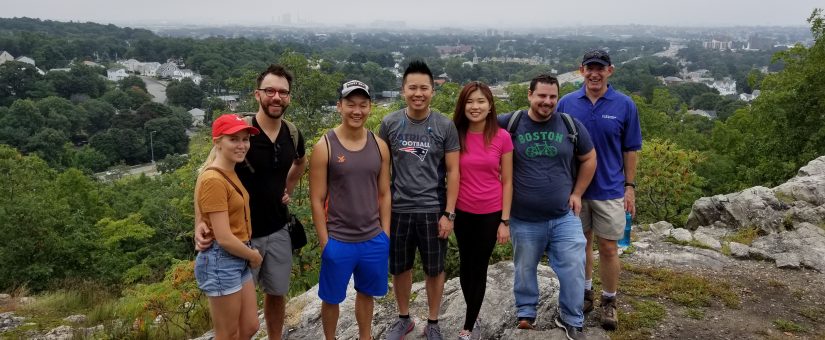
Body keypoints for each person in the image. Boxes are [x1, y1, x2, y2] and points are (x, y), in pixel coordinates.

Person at [195, 64, 307, 340]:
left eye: (283, 92)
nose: (276, 97)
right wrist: (200, 221)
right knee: (239, 324)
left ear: (289, 97)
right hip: (239, 238)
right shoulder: (240, 132)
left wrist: (287, 188)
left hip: (279, 228)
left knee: (277, 292)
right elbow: (207, 175)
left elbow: (301, 162)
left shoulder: (292, 133)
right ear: (257, 94)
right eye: (270, 90)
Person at [497, 74, 597, 340]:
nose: (547, 101)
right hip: (523, 217)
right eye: (542, 95)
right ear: (530, 95)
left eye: (553, 97)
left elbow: (589, 158)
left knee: (575, 264)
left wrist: (577, 192)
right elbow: (476, 136)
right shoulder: (510, 123)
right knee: (524, 267)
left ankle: (571, 318)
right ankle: (526, 312)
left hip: (564, 215)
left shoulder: (569, 124)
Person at [557, 49, 642, 331]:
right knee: (580, 246)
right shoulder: (567, 103)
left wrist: (630, 187)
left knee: (608, 247)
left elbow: (631, 149)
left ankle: (609, 300)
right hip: (575, 191)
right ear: (581, 70)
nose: (595, 73)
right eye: (590, 68)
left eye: (600, 68)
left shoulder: (624, 104)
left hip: (610, 189)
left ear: (610, 71)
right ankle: (585, 293)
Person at [379, 60, 460, 340]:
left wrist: (449, 214)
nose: (418, 93)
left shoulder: (444, 125)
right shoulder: (390, 123)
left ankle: (433, 321)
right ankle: (404, 318)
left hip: (432, 209)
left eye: (424, 88)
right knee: (400, 267)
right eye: (412, 87)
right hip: (399, 209)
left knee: (434, 269)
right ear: (403, 90)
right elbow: (381, 172)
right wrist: (382, 215)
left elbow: (453, 171)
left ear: (432, 90)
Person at [309, 80, 391, 340]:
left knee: (367, 294)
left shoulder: (379, 146)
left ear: (370, 107)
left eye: (363, 105)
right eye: (351, 104)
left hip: (372, 237)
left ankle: (365, 336)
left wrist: (385, 234)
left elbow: (384, 193)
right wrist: (325, 243)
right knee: (331, 297)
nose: (357, 111)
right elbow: (316, 198)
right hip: (339, 239)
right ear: (339, 107)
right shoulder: (326, 146)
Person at [452, 81, 513, 340]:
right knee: (466, 266)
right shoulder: (455, 134)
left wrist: (505, 221)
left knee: (480, 266)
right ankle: (473, 317)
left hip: (490, 212)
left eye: (480, 101)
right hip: (461, 211)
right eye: (469, 102)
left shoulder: (502, 136)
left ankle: (468, 327)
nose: (475, 107)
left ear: (490, 106)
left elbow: (508, 181)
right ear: (462, 106)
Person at [193, 114, 263, 340]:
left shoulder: (229, 170)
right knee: (227, 334)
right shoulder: (214, 179)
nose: (242, 145)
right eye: (234, 139)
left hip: (236, 256)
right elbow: (223, 237)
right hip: (222, 259)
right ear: (217, 142)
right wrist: (253, 256)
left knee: (250, 326)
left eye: (245, 139)